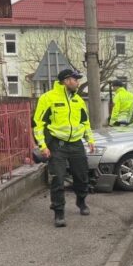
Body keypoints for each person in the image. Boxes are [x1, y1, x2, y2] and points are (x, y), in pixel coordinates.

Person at [33, 69, 95, 227]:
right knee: (58, 179)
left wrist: (90, 139)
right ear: (67, 81)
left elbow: (85, 122)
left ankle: (81, 201)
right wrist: (42, 145)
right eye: (75, 79)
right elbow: (38, 124)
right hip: (57, 144)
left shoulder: (78, 100)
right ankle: (59, 212)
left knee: (81, 176)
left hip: (76, 143)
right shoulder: (48, 98)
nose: (78, 82)